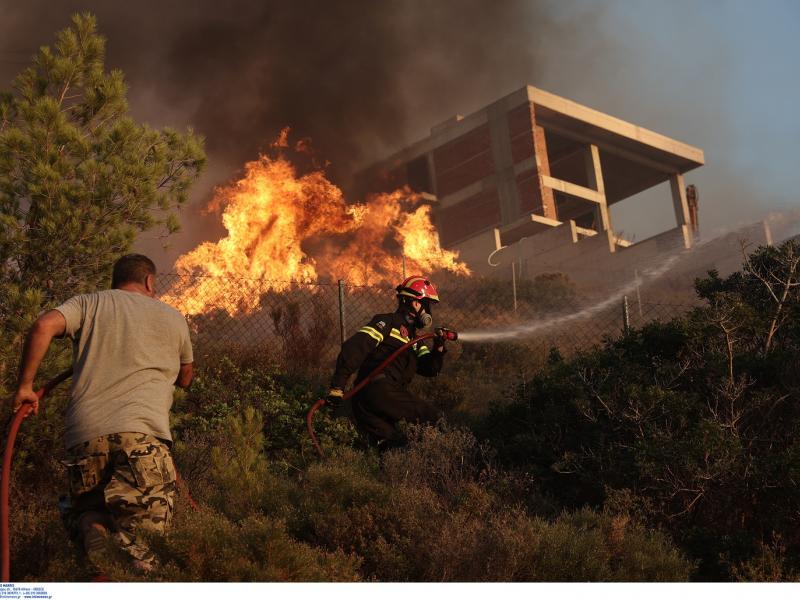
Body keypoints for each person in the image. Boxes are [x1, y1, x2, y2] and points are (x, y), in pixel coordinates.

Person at [11, 254, 193, 575]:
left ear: (116, 281)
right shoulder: (173, 317)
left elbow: (43, 325)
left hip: (86, 437)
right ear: (150, 282)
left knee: (89, 511)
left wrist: (26, 386)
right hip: (142, 436)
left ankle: (94, 531)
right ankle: (136, 565)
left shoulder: (90, 303)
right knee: (145, 544)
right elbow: (186, 377)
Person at [327, 275, 447, 448]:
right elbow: (355, 347)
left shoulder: (414, 340)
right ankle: (449, 462)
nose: (429, 312)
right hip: (378, 390)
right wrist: (337, 386)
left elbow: (430, 368)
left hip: (368, 400)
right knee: (433, 418)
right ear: (415, 303)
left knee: (389, 445)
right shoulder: (387, 323)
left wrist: (439, 346)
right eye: (427, 305)